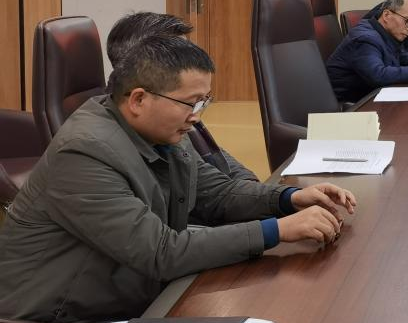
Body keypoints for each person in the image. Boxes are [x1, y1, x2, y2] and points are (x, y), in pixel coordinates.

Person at [0, 34, 357, 323]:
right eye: (191, 102)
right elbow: (160, 252)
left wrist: (287, 199)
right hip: (58, 315)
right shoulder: (84, 153)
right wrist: (277, 230)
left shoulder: (163, 132)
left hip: (130, 294)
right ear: (138, 99)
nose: (197, 116)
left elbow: (217, 194)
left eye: (204, 102)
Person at [106, 11, 257, 182]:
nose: (188, 60)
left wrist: (251, 184)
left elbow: (217, 156)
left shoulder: (179, 103)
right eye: (176, 55)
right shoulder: (146, 123)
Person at [330, 0, 408, 102]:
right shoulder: (365, 38)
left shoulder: (382, 32)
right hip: (350, 105)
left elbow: (400, 54)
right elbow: (378, 74)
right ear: (387, 15)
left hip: (369, 95)